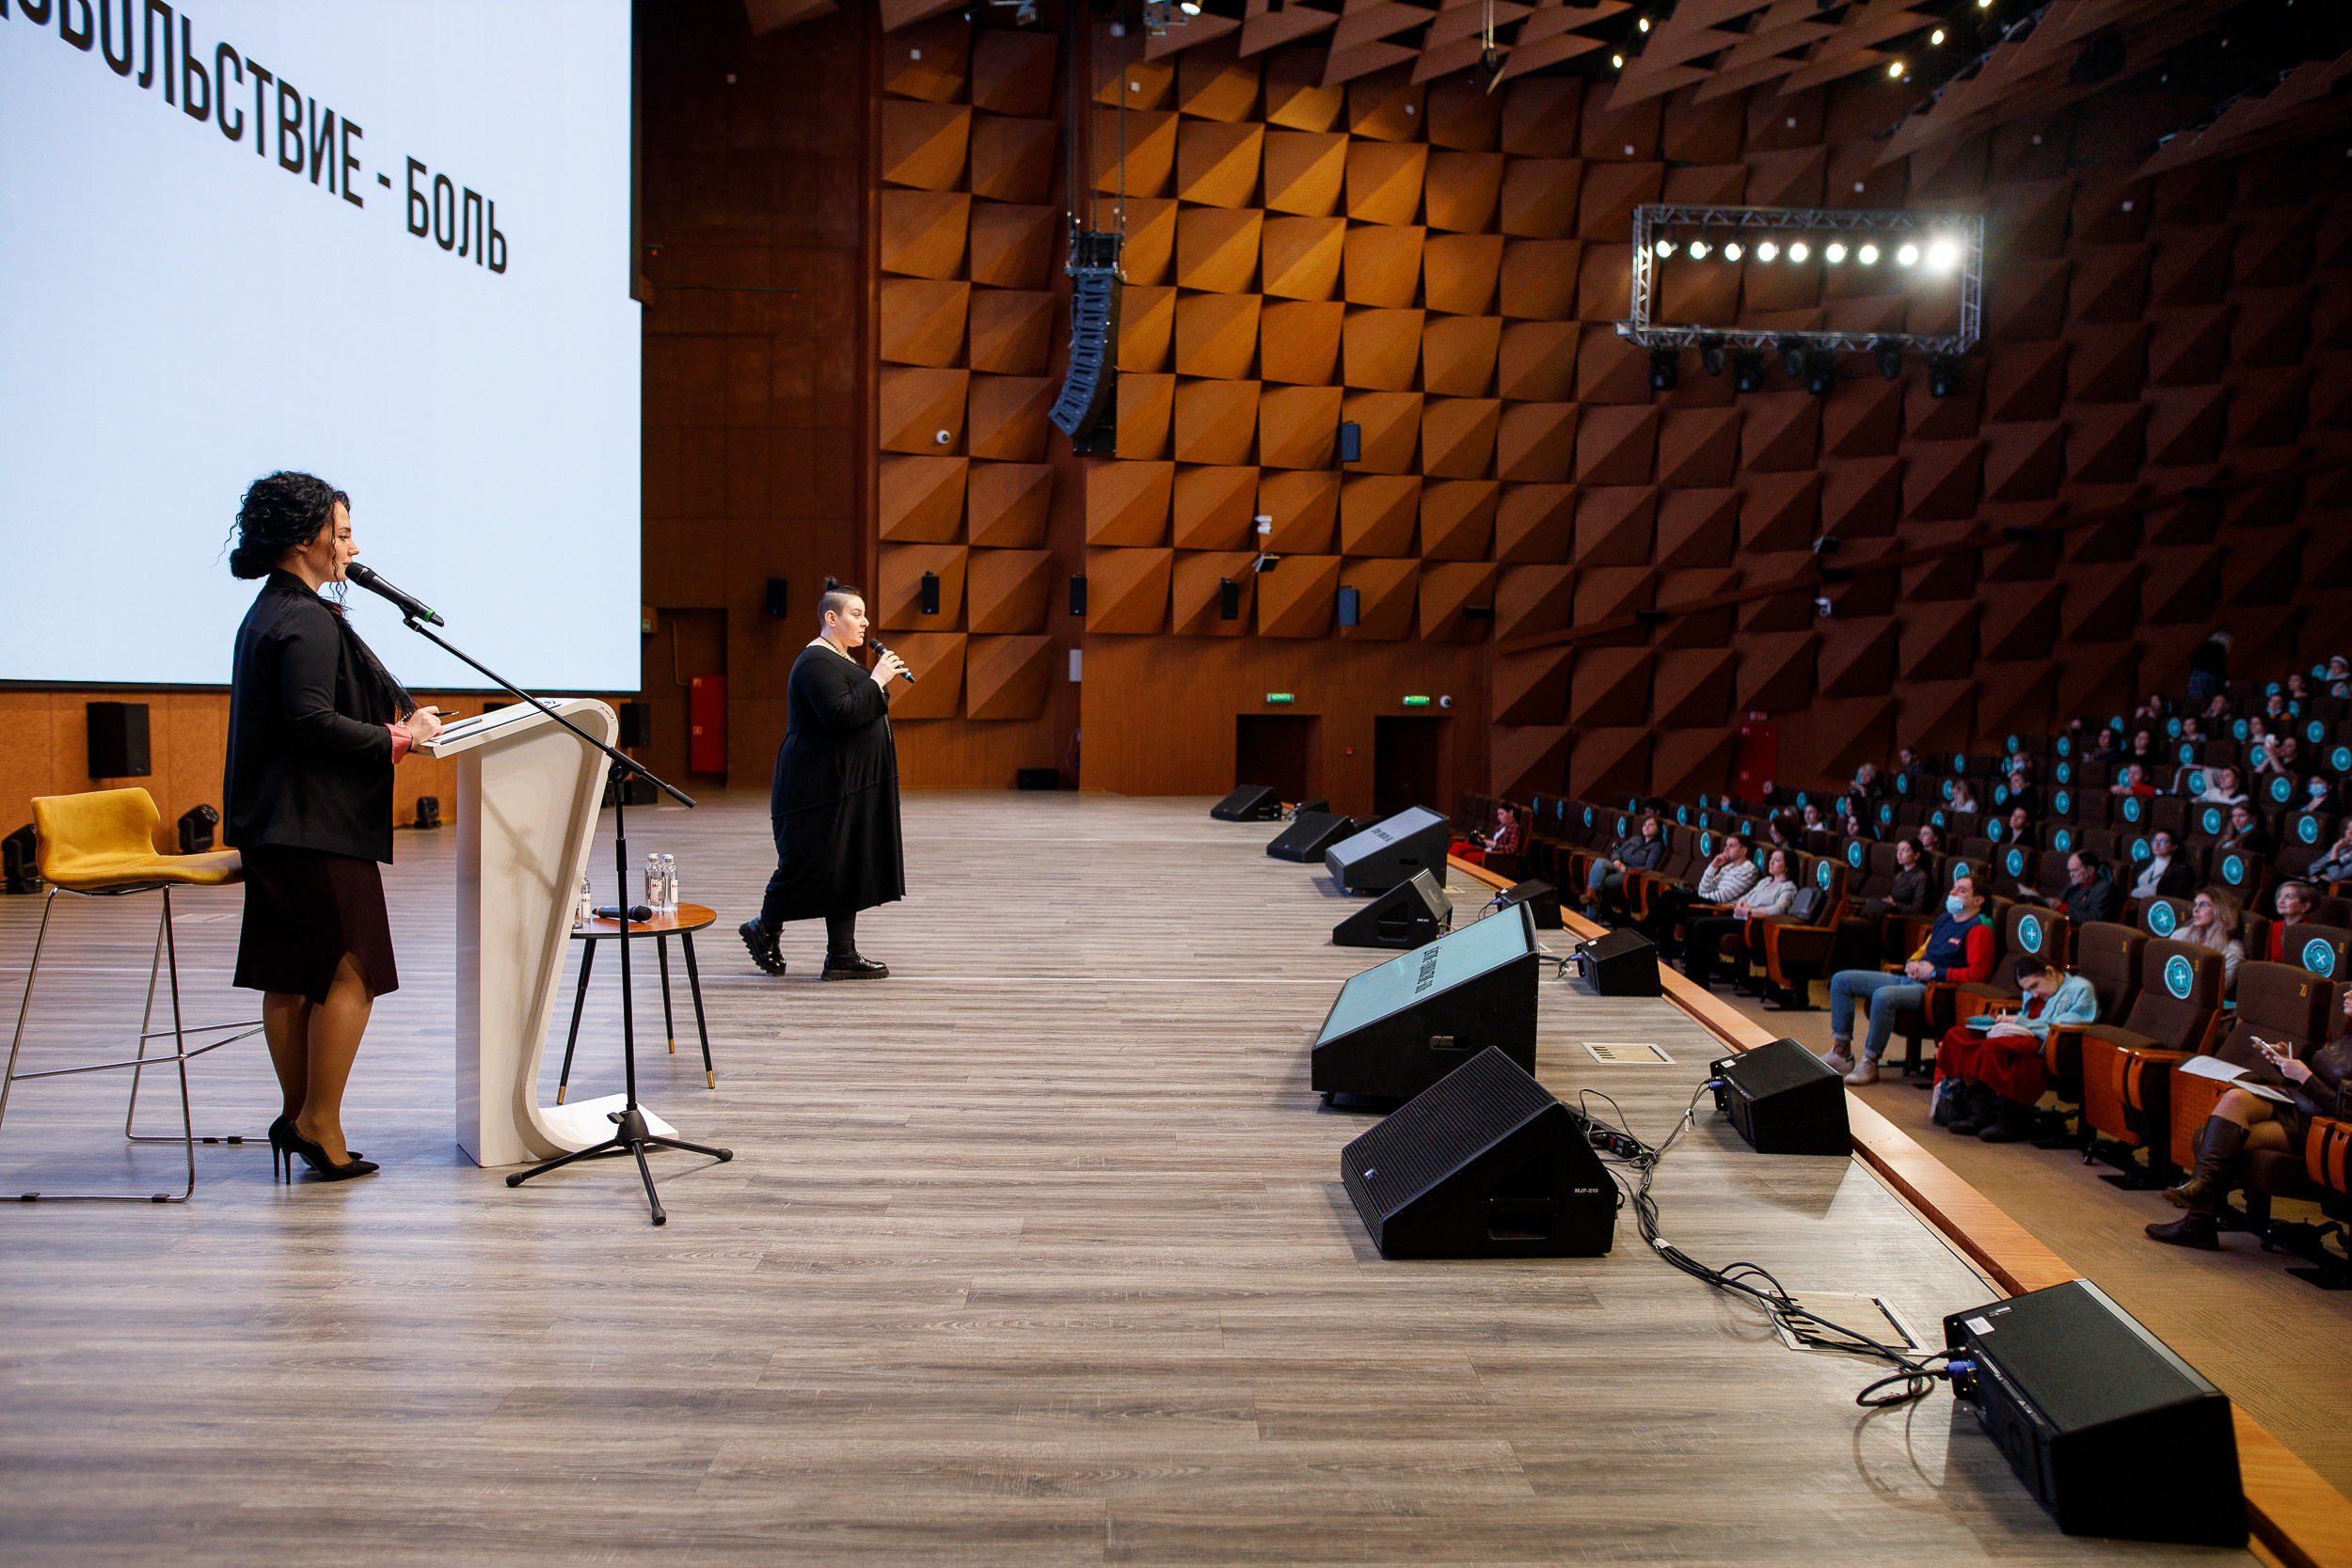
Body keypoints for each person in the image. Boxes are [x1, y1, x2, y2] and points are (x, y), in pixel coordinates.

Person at [224, 471, 445, 1182]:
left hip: (277, 824)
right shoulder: (306, 619)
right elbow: (313, 722)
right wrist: (400, 737)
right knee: (355, 968)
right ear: (304, 539)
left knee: (292, 976)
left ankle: (300, 1117)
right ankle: (319, 1123)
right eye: (342, 533)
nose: (352, 547)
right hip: (314, 825)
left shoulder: (270, 611)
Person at [739, 580, 908, 980]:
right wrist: (878, 679)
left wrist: (875, 684)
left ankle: (841, 955)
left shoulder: (842, 660)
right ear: (831, 618)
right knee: (808, 864)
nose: (865, 622)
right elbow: (840, 713)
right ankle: (764, 927)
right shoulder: (815, 662)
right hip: (815, 787)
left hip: (845, 785)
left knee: (846, 863)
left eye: (865, 615)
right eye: (856, 614)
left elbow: (865, 710)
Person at [2148, 987, 2352, 1249]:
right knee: (2234, 1098)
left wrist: (2304, 1076)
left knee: (2214, 1139)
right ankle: (2200, 1210)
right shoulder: (2347, 1034)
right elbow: (2329, 1082)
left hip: (2319, 1129)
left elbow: (2346, 1109)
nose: (2346, 994)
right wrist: (2285, 1064)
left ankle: (2198, 1221)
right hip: (2296, 1105)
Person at [1822, 872, 1996, 1085]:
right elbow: (1925, 951)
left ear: (1978, 901)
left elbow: (1978, 975)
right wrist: (1913, 964)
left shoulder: (1979, 930)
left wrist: (1934, 973)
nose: (1952, 893)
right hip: (1911, 978)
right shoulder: (1944, 920)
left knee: (1883, 996)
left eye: (1961, 890)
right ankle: (1841, 1053)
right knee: (1841, 980)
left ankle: (1870, 1062)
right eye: (1953, 888)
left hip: (1934, 990)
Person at [1933, 956, 2098, 1142]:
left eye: (2035, 986)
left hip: (2045, 1041)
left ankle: (2002, 1115)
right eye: (2028, 990)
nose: (2034, 995)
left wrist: (2018, 1021)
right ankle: (1978, 1107)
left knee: (1992, 1047)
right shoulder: (2034, 993)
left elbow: (2058, 1029)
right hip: (2019, 1031)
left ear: (2051, 972)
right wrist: (2004, 1022)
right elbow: (2025, 1013)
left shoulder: (2080, 989)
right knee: (1956, 1035)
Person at [1681, 847, 1796, 990]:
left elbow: (1779, 909)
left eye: (1777, 860)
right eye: (1771, 859)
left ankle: (1700, 980)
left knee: (1701, 925)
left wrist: (1749, 911)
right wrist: (1742, 905)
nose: (1771, 863)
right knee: (1692, 921)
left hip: (1754, 925)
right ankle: (1690, 974)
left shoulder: (1788, 887)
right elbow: (1744, 898)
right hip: (1741, 917)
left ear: (1787, 867)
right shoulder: (1766, 881)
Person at [1645, 834, 1760, 944]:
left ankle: (1644, 932)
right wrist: (1714, 865)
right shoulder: (1727, 867)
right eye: (1726, 845)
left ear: (1743, 851)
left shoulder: (1749, 870)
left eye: (1732, 846)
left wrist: (1700, 897)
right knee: (1668, 908)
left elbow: (1722, 897)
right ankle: (1665, 949)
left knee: (1669, 895)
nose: (1726, 849)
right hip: (1708, 902)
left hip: (1720, 908)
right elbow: (1703, 889)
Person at [1583, 814, 1664, 921]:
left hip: (1629, 874)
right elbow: (1617, 852)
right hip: (1617, 865)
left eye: (1651, 825)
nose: (1647, 827)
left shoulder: (1657, 846)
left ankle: (1590, 915)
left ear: (1658, 830)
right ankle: (1591, 894)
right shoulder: (1635, 839)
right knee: (1599, 862)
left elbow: (1649, 868)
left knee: (1599, 881)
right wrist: (1616, 860)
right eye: (1645, 824)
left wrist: (1627, 869)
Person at [2021, 848, 2120, 926]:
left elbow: (2093, 920)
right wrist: (2039, 900)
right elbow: (2058, 904)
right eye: (2070, 871)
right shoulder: (2075, 883)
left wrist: (2063, 908)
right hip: (2057, 923)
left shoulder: (2103, 889)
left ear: (2090, 870)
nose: (2071, 875)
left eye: (2075, 870)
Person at [2180, 887, 2245, 990]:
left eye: (2203, 905)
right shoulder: (2180, 935)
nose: (2195, 910)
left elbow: (2213, 991)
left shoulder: (2232, 952)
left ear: (2221, 910)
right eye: (2195, 905)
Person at [2130, 830, 2197, 900]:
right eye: (2154, 841)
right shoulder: (2141, 863)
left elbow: (2176, 898)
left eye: (2162, 841)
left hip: (2157, 904)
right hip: (2132, 900)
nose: (2156, 845)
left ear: (2174, 847)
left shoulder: (2182, 870)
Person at [2260, 881, 2318, 959]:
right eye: (2280, 896)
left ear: (2305, 906)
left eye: (2289, 897)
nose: (2280, 901)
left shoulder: (2310, 933)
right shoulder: (2274, 926)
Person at [1457, 805, 1521, 865]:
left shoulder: (1515, 827)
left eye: (1501, 814)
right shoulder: (1501, 826)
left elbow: (1512, 849)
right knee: (1458, 845)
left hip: (1493, 856)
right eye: (1498, 814)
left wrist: (1495, 845)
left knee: (1465, 855)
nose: (1498, 817)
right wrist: (1484, 840)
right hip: (1486, 849)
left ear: (1510, 813)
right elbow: (1493, 841)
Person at [2186, 630, 2232, 705]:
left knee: (2194, 702)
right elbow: (2221, 668)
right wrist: (2226, 680)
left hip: (2195, 677)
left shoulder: (2201, 647)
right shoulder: (2219, 649)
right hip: (2209, 678)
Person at [2309, 823, 2352, 887]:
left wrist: (2335, 851)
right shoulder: (2342, 847)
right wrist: (2328, 879)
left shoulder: (2337, 848)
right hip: (2324, 885)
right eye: (2348, 828)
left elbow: (2335, 876)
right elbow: (2313, 868)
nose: (2349, 832)